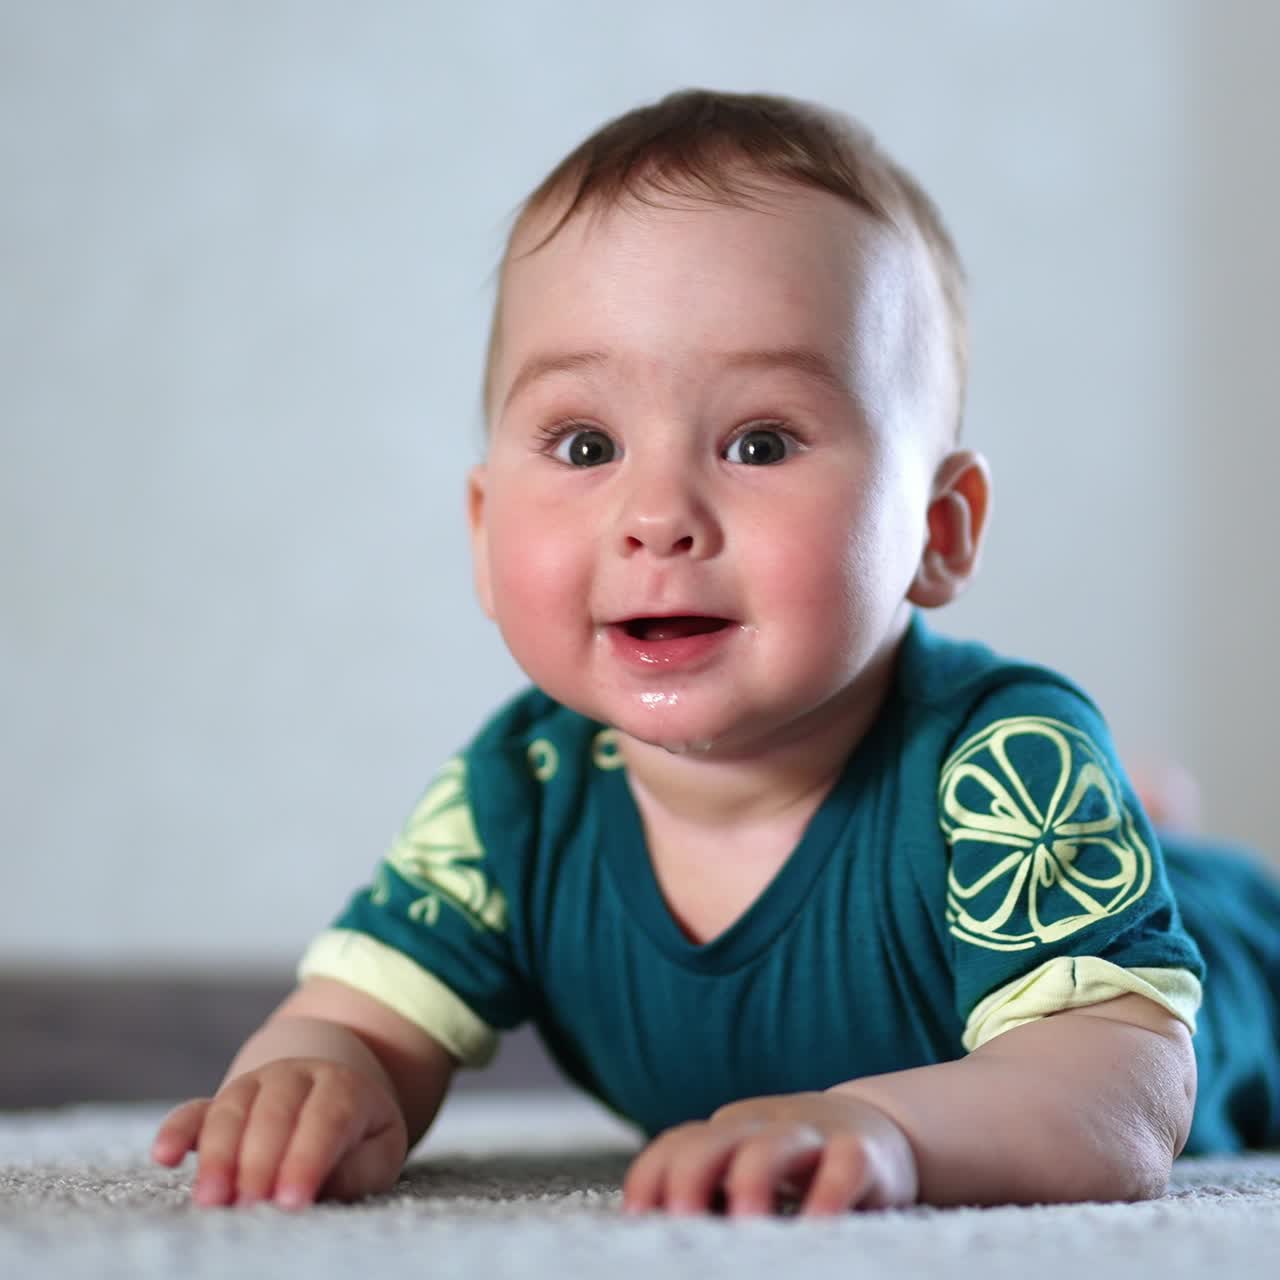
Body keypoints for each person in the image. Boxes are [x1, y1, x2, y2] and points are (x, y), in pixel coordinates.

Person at [151, 88, 1280, 1216]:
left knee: (1187, 919)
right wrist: (315, 1080)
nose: (657, 512)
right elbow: (357, 1018)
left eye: (758, 440)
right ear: (485, 535)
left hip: (1238, 975)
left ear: (935, 530)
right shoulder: (518, 796)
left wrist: (883, 1127)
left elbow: (1122, 1098)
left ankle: (1156, 848)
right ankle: (1144, 821)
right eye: (586, 442)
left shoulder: (995, 765)